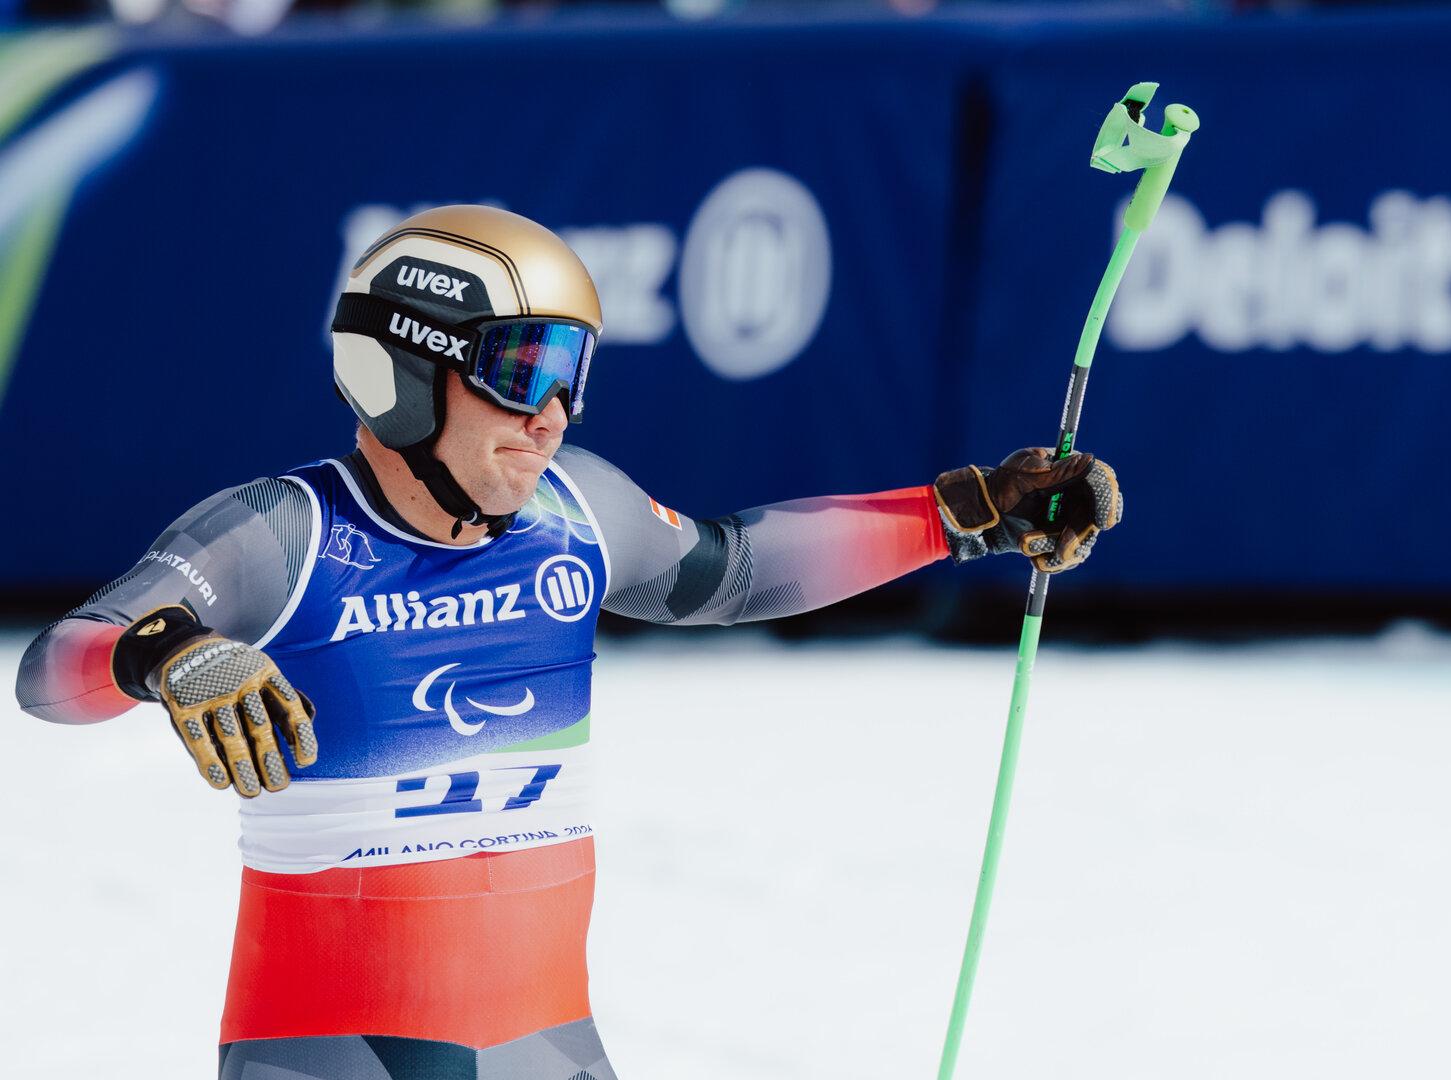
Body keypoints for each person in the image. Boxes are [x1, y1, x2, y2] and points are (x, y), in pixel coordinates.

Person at [13, 205, 1121, 1079]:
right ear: (404, 374)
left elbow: (733, 567)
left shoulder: (575, 510)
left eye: (570, 377)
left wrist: (966, 512)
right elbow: (57, 665)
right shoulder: (288, 530)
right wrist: (168, 655)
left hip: (546, 1045)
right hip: (332, 1053)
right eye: (521, 372)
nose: (551, 415)